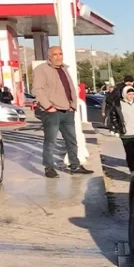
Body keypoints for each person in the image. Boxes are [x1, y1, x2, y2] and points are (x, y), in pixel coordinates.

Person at [31, 45, 93, 178]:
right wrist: (48, 107)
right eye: (55, 54)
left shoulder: (64, 68)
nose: (58, 57)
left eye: (60, 54)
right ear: (49, 56)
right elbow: (37, 90)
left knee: (72, 140)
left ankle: (75, 166)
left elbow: (70, 88)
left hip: (67, 111)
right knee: (50, 141)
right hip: (52, 112)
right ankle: (49, 168)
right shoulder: (42, 69)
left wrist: (73, 106)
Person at [108, 85, 134, 173]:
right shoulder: (118, 104)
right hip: (126, 134)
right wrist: (118, 127)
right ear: (124, 94)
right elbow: (113, 117)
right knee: (130, 154)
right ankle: (132, 171)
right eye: (129, 94)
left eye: (133, 94)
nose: (131, 96)